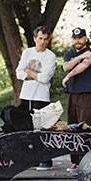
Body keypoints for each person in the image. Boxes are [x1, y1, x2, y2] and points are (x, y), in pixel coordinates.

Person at [16, 25, 58, 166]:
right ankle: (29, 157)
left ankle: (44, 159)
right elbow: (19, 73)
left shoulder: (50, 56)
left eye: (45, 39)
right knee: (26, 126)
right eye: (40, 38)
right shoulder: (27, 53)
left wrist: (29, 72)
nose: (42, 42)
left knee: (42, 128)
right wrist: (33, 75)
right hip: (26, 94)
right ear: (35, 39)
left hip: (41, 96)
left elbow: (45, 77)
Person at [61, 26, 91, 170]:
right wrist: (79, 57)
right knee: (72, 126)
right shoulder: (70, 53)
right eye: (75, 38)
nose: (78, 41)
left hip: (86, 93)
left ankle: (85, 160)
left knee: (84, 125)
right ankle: (75, 161)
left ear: (86, 39)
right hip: (72, 93)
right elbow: (66, 66)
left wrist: (69, 76)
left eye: (80, 38)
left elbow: (84, 65)